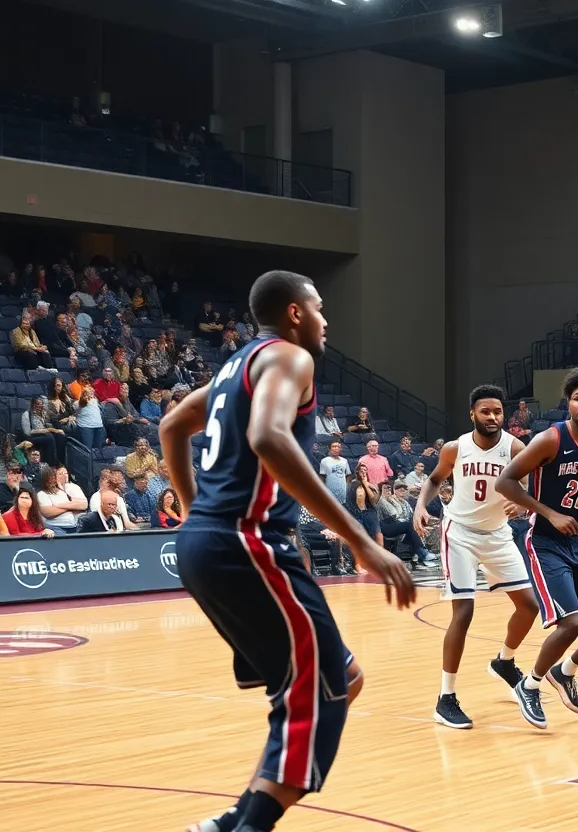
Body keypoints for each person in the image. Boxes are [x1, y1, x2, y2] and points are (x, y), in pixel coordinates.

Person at [163, 270, 414, 832]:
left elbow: (173, 424)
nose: (328, 320)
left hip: (210, 543)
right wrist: (361, 542)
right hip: (244, 542)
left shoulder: (237, 365)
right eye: (320, 308)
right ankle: (250, 826)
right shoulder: (290, 358)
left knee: (339, 680)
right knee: (318, 695)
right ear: (296, 313)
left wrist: (191, 510)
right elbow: (268, 438)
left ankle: (235, 820)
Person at [495, 369, 578, 730]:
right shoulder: (550, 439)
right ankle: (530, 684)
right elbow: (505, 482)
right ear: (568, 403)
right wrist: (549, 513)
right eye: (577, 398)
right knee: (571, 622)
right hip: (543, 540)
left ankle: (565, 671)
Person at [413, 385, 540, 730]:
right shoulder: (456, 448)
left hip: (498, 534)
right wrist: (421, 506)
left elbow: (532, 482)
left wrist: (522, 498)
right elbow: (435, 479)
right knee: (464, 611)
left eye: (498, 412)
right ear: (473, 414)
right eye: (486, 411)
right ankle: (446, 698)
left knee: (529, 606)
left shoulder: (514, 447)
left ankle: (504, 661)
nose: (493, 417)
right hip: (461, 533)